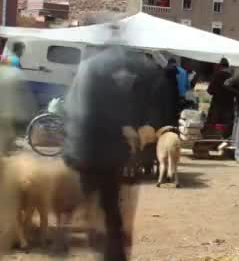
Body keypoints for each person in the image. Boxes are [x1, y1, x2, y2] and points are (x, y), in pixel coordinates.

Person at [62, 45, 163, 261]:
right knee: (109, 211)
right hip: (99, 155)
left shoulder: (85, 71)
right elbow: (110, 117)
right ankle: (111, 252)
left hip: (84, 153)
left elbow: (71, 112)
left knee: (99, 206)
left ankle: (99, 245)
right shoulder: (101, 75)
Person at [207, 58, 236, 125]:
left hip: (217, 105)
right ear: (228, 66)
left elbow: (209, 90)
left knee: (214, 127)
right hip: (228, 106)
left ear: (220, 66)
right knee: (226, 127)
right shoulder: (232, 77)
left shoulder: (217, 76)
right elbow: (235, 92)